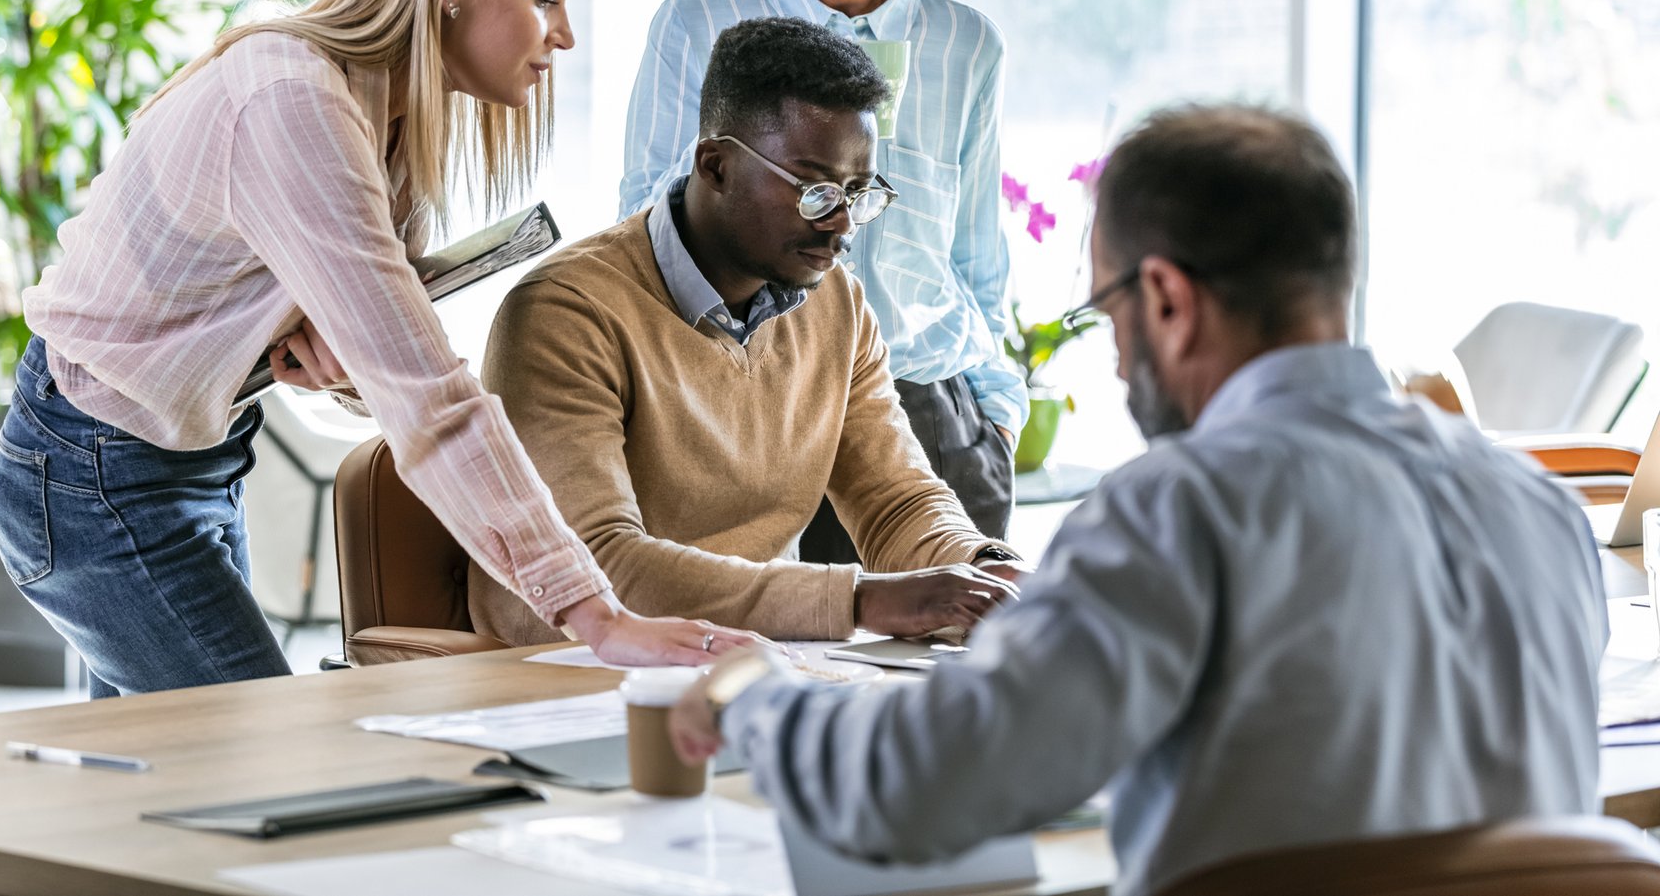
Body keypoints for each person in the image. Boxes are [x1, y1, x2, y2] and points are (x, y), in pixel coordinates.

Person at [670, 105, 1607, 896]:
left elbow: (917, 787)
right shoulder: (1538, 507)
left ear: (1166, 297)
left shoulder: (1183, 511)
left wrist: (757, 697)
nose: (1116, 357)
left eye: (1106, 310)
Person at [0, 0, 759, 697]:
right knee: (255, 764)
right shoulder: (295, 103)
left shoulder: (385, 121)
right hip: (94, 472)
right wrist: (596, 613)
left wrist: (342, 368)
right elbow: (431, 401)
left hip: (184, 459)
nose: (564, 35)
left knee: (148, 790)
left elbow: (376, 372)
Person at [471, 18, 1025, 646]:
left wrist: (984, 572)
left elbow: (896, 502)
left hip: (746, 664)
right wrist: (858, 601)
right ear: (716, 166)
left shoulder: (836, 304)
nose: (842, 226)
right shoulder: (565, 313)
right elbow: (598, 564)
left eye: (857, 191)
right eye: (815, 192)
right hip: (565, 674)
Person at [620, 0, 1021, 564]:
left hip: (927, 417)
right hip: (750, 409)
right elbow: (641, 235)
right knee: (755, 674)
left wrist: (994, 412)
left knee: (947, 680)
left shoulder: (964, 45)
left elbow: (979, 256)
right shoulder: (695, 27)